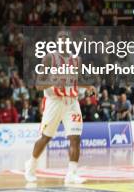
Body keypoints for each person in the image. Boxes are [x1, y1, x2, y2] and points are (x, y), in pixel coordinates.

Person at [25, 31, 92, 186]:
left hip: (72, 102)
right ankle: (31, 166)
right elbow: (38, 84)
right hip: (54, 101)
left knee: (75, 138)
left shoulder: (77, 60)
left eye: (66, 39)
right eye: (60, 39)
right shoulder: (49, 58)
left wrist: (88, 86)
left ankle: (72, 174)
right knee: (46, 137)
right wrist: (53, 82)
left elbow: (77, 80)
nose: (63, 42)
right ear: (56, 42)